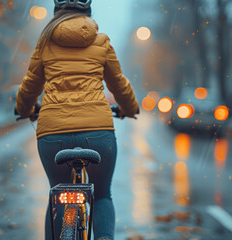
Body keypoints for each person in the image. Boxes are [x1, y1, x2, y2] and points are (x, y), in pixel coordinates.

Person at [15, 0, 139, 239]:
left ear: (56, 11)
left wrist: (24, 108)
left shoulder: (45, 43)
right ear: (88, 11)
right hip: (98, 132)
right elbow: (118, 84)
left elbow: (30, 84)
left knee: (56, 193)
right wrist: (129, 108)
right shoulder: (101, 42)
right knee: (102, 195)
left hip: (53, 134)